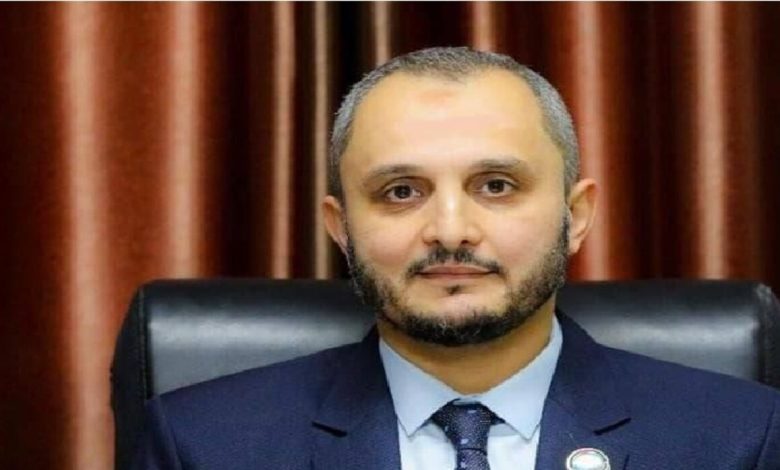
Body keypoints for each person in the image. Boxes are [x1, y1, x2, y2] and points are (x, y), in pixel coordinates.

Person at [131, 47, 780, 470]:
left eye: (496, 185)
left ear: (576, 216)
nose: (450, 230)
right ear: (341, 228)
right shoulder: (200, 444)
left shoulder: (740, 438)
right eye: (401, 191)